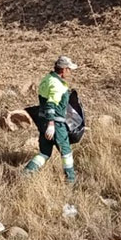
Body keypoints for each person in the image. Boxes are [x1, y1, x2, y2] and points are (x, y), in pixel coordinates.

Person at [24, 56, 78, 185]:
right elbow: (50, 105)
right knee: (66, 152)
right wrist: (51, 124)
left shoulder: (47, 79)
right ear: (63, 70)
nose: (70, 72)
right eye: (69, 69)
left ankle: (26, 174)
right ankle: (70, 180)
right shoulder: (57, 84)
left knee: (44, 153)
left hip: (42, 122)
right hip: (56, 124)